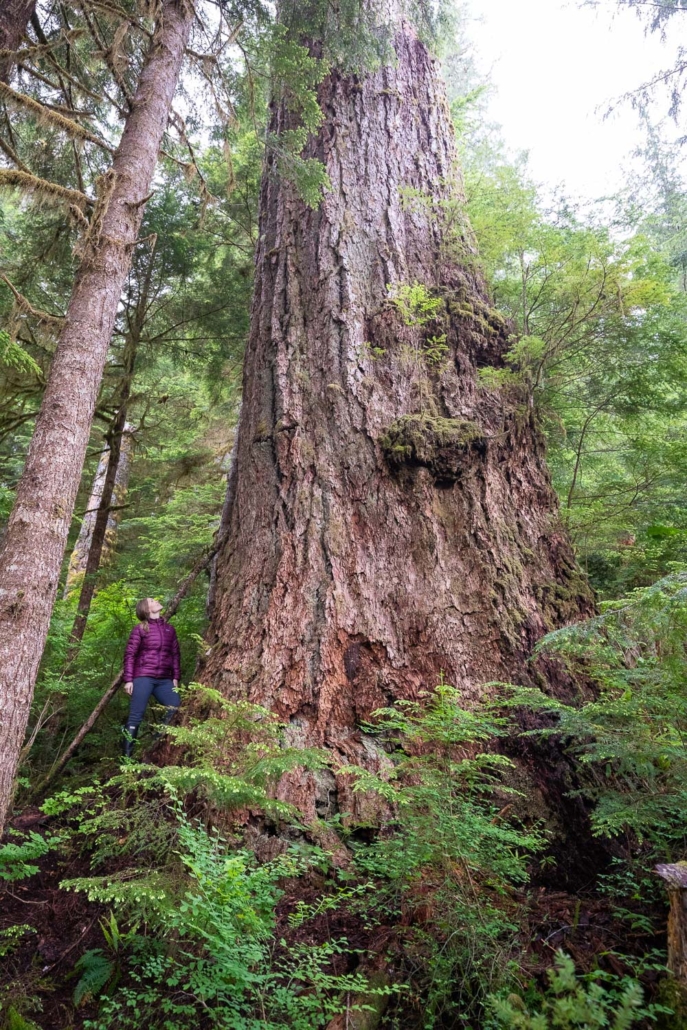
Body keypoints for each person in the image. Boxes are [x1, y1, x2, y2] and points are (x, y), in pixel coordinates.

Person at [121, 597, 181, 756]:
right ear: (146, 609)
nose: (157, 601)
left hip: (164, 679)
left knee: (175, 706)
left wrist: (175, 677)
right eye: (152, 601)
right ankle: (126, 759)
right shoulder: (140, 629)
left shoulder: (170, 629)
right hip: (143, 677)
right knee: (135, 716)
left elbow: (175, 655)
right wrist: (128, 680)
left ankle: (156, 738)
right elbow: (130, 655)